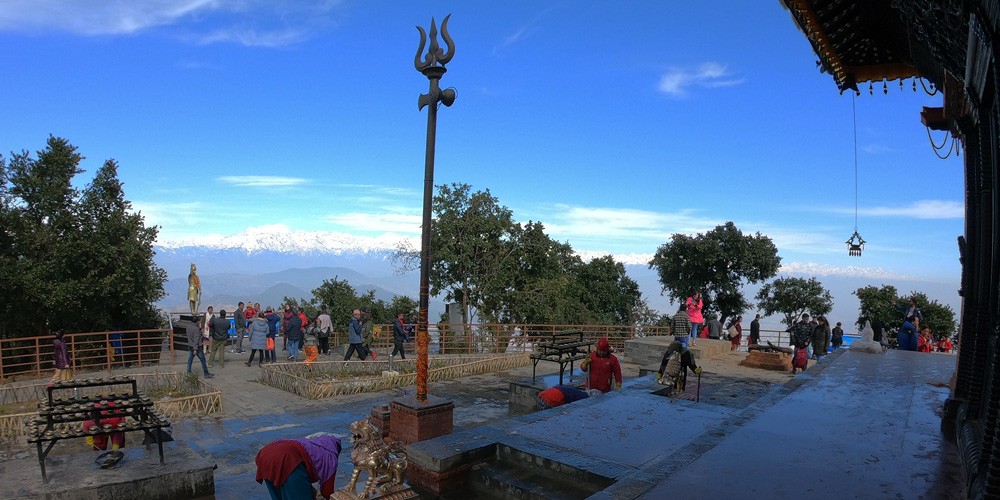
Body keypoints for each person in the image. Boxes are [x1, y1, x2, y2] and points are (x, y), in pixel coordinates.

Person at [255, 433, 342, 500]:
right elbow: (327, 491)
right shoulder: (330, 455)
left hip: (264, 455)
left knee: (280, 496)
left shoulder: (310, 444)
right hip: (287, 459)